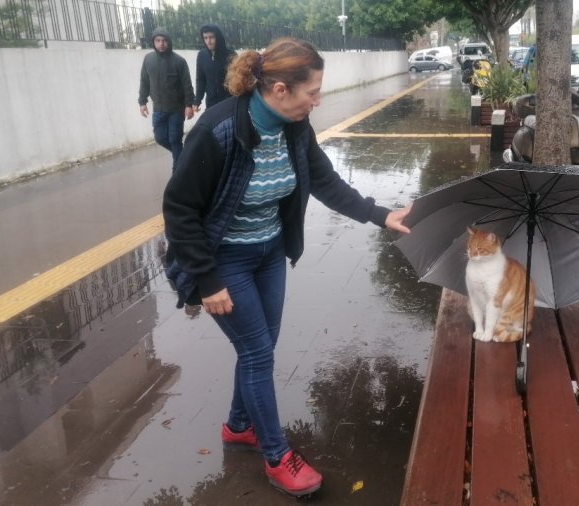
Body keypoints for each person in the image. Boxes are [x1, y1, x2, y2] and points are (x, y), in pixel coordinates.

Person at [162, 37, 411, 497]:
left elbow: (324, 180)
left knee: (260, 346)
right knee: (258, 353)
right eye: (311, 92)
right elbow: (179, 208)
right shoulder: (219, 130)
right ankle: (276, 457)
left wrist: (380, 215)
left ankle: (240, 425)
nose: (317, 101)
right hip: (224, 259)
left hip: (269, 252)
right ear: (279, 89)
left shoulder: (296, 126)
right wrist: (207, 279)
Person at [138, 27, 195, 165]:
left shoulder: (179, 61)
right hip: (158, 109)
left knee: (175, 140)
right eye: (158, 41)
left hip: (176, 109)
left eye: (164, 41)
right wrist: (142, 102)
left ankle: (178, 176)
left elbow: (187, 85)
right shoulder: (148, 59)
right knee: (160, 138)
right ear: (154, 42)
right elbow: (144, 81)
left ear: (168, 42)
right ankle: (184, 158)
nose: (161, 44)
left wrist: (189, 105)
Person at [194, 24, 237, 112]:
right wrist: (197, 100)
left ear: (218, 37)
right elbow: (201, 80)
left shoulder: (231, 55)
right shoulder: (202, 55)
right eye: (205, 38)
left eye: (211, 37)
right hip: (211, 103)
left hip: (229, 102)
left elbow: (238, 79)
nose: (208, 41)